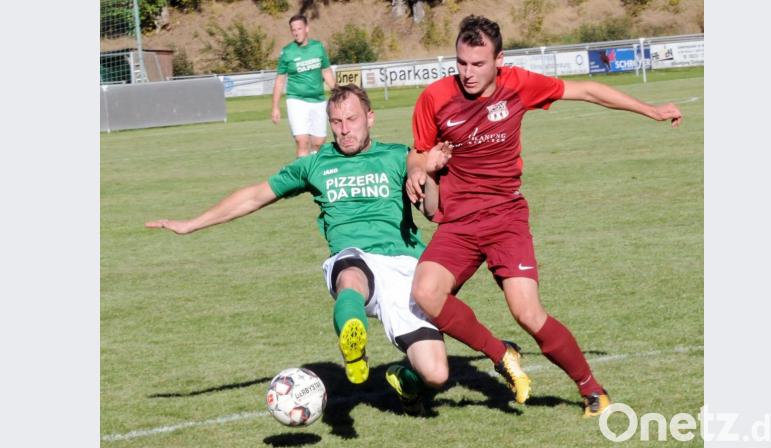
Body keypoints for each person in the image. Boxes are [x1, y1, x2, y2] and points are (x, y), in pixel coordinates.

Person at [147, 84, 488, 415]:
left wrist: (430, 176)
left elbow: (433, 210)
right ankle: (353, 350)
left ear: (370, 118)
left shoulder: (399, 157)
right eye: (336, 123)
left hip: (404, 266)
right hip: (353, 257)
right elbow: (255, 195)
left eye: (352, 120)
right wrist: (191, 224)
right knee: (351, 275)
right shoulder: (315, 164)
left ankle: (406, 382)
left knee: (436, 373)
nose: (344, 130)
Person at [406, 15, 683, 417]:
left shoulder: (518, 85)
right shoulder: (434, 97)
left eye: (478, 64)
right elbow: (418, 151)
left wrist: (650, 110)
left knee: (527, 312)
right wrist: (418, 169)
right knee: (425, 293)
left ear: (499, 60)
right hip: (458, 222)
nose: (467, 73)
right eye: (461, 63)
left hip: (505, 217)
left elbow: (587, 90)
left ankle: (592, 390)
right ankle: (501, 354)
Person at [271, 14, 336, 158]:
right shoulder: (287, 52)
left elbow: (326, 71)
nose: (296, 32)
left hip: (318, 100)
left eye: (299, 28)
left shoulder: (318, 47)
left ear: (307, 28)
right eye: (293, 30)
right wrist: (275, 107)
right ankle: (302, 177)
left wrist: (337, 93)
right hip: (296, 100)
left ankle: (311, 168)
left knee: (319, 143)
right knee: (302, 141)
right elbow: (280, 80)